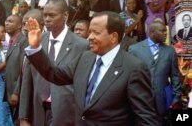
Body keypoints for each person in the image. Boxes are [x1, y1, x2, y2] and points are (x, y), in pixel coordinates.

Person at [25, 11, 158, 125]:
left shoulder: (134, 68)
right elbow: (54, 74)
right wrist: (36, 47)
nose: (90, 37)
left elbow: (146, 118)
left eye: (96, 33)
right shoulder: (85, 58)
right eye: (90, 32)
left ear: (114, 37)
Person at [19, 0, 89, 126]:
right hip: (38, 111)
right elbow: (27, 80)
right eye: (45, 15)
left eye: (52, 15)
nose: (47, 19)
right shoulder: (36, 40)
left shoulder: (81, 45)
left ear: (65, 16)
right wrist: (24, 117)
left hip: (67, 114)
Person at [128, 21, 181, 126]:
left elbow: (174, 75)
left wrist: (176, 96)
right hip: (140, 100)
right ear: (152, 32)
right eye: (162, 31)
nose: (166, 34)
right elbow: (129, 76)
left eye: (166, 31)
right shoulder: (135, 49)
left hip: (161, 100)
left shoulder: (170, 51)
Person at [4, 14, 27, 123]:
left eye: (11, 21)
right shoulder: (11, 41)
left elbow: (24, 69)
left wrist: (16, 92)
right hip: (9, 91)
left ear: (19, 26)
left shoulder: (23, 41)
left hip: (17, 93)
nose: (7, 23)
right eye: (6, 21)